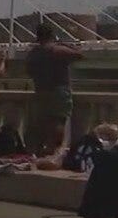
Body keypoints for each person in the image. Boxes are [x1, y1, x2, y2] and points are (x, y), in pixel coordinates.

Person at [24, 24, 83, 157]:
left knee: (43, 121)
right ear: (52, 35)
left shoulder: (33, 53)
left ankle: (41, 148)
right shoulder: (56, 50)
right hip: (58, 90)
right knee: (58, 120)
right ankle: (55, 149)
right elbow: (79, 55)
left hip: (41, 90)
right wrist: (64, 44)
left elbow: (28, 71)